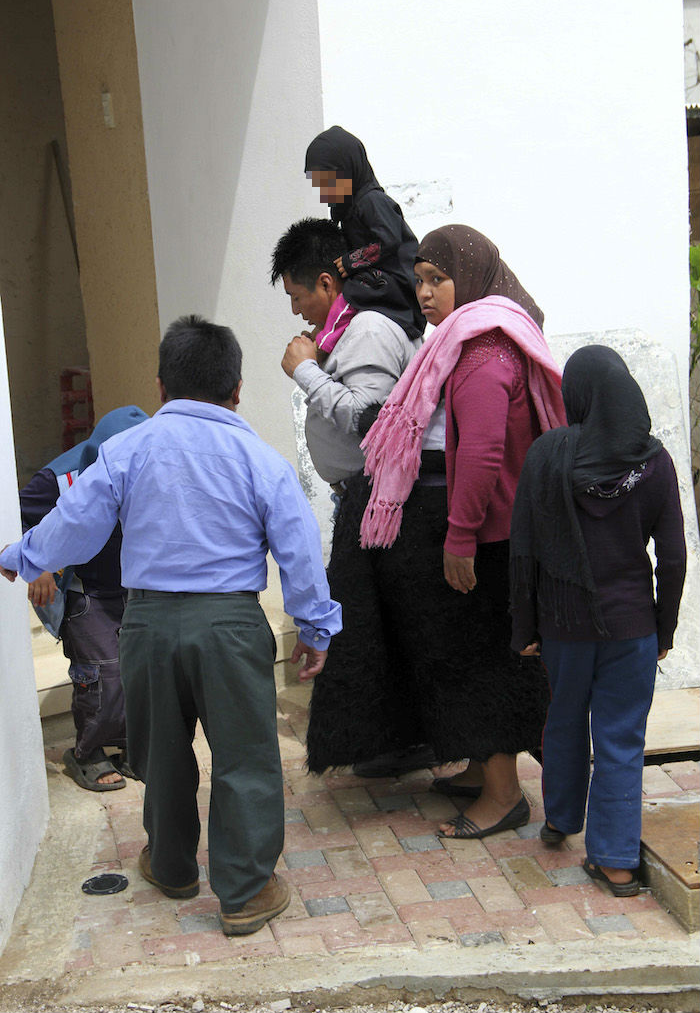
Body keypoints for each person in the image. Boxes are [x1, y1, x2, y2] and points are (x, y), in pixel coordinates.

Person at [1, 316, 341, 936]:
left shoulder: (126, 450)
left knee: (160, 751)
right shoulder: (259, 458)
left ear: (161, 387)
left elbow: (75, 519)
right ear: (236, 389)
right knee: (245, 756)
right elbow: (299, 547)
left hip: (146, 623)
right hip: (231, 625)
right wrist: (315, 630)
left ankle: (171, 864)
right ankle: (244, 891)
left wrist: (23, 556)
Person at [359, 224, 567, 838]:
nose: (424, 293)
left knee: (482, 664)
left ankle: (503, 795)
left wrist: (460, 537)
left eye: (436, 279)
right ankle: (482, 770)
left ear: (469, 280)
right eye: (419, 279)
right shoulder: (488, 339)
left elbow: (476, 454)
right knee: (485, 656)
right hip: (507, 532)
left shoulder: (479, 353)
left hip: (492, 538)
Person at [509, 345, 686, 895]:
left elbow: (523, 551)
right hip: (632, 628)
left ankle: (562, 818)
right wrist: (664, 629)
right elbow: (674, 555)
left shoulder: (547, 455)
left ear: (577, 396)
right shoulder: (654, 463)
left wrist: (526, 628)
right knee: (620, 739)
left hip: (564, 627)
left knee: (564, 718)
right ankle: (614, 863)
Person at [271, 216, 437, 776]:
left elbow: (373, 421)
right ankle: (394, 740)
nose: (296, 311)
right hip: (361, 502)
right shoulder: (342, 331)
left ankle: (408, 743)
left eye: (298, 297)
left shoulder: (364, 332)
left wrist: (308, 374)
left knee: (384, 626)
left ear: (325, 283)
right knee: (376, 625)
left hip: (382, 506)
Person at [20, 406, 148, 791]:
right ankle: (87, 753)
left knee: (140, 673)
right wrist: (38, 566)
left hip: (137, 588)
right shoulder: (58, 479)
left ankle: (131, 746)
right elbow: (15, 516)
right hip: (86, 590)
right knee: (102, 674)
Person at [304, 126, 425, 340]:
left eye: (327, 182)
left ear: (347, 171)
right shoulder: (349, 207)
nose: (323, 191)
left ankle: (323, 342)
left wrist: (352, 261)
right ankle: (324, 333)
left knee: (350, 292)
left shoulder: (371, 201)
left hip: (398, 286)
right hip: (379, 280)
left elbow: (388, 241)